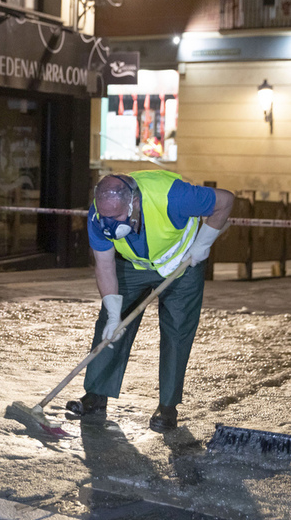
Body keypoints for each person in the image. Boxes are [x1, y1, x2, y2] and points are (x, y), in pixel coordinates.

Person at [67, 172, 233, 432]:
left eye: (117, 217)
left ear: (133, 201)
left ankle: (168, 407)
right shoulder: (98, 217)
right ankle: (96, 395)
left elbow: (225, 200)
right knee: (111, 323)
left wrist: (203, 244)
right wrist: (113, 312)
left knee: (177, 331)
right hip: (133, 264)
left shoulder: (173, 197)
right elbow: (104, 265)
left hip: (182, 261)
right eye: (105, 217)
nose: (110, 225)